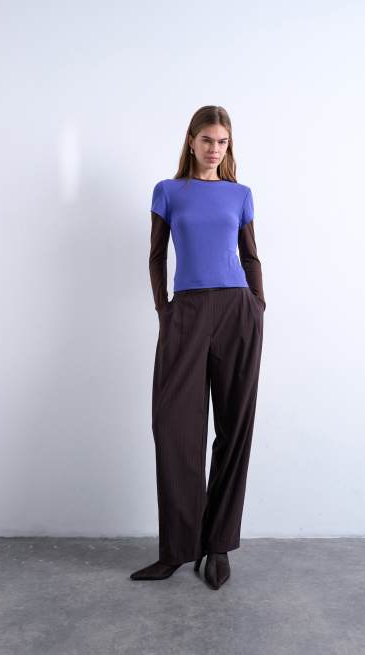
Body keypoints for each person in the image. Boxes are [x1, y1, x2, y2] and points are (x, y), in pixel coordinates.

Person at [130, 105, 265, 590]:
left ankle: (218, 545)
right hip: (185, 312)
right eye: (207, 139)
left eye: (222, 142)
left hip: (237, 312)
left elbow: (251, 256)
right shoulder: (168, 191)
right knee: (174, 430)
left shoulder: (240, 194)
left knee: (233, 429)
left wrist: (257, 305)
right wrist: (163, 309)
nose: (214, 149)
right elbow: (156, 255)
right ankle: (176, 550)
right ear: (191, 141)